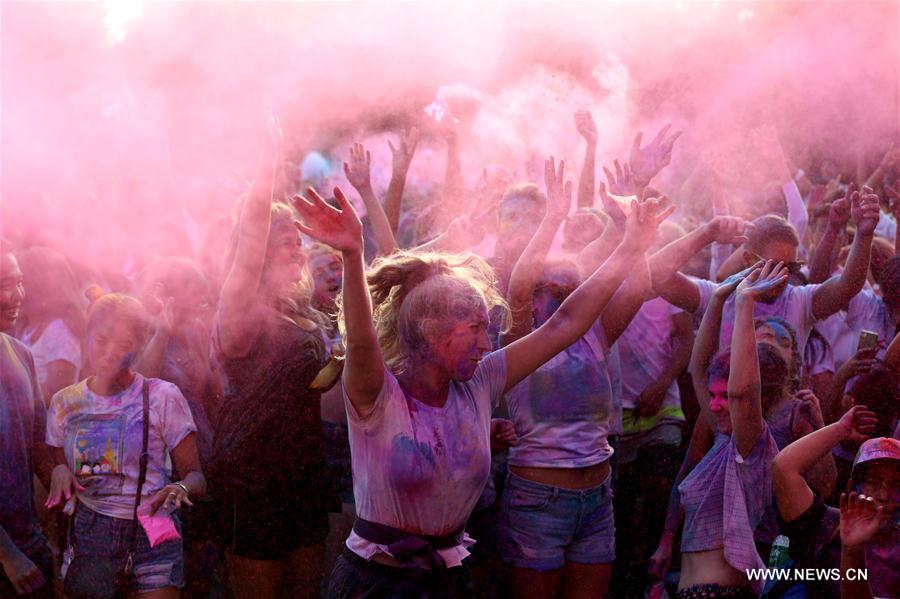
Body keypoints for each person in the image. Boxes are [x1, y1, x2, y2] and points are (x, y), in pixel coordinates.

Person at [291, 164, 671, 596]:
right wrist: (352, 253)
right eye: (473, 329)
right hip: (377, 583)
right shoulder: (378, 394)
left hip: (449, 578)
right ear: (430, 331)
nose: (486, 344)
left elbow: (565, 323)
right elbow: (361, 342)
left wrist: (631, 245)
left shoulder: (480, 382)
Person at [498, 158, 655, 598]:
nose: (564, 294)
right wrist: (552, 219)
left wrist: (629, 227)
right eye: (551, 286)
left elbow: (637, 289)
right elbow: (518, 286)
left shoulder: (594, 334)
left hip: (597, 497)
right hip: (539, 499)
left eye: (571, 287)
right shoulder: (518, 339)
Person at [207, 122, 337, 599]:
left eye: (298, 240)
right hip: (253, 482)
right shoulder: (240, 311)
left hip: (304, 475)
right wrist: (269, 163)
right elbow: (249, 239)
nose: (296, 247)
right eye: (284, 238)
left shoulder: (304, 312)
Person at [44, 288, 205, 599]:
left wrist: (181, 487)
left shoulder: (162, 397)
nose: (110, 353)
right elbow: (58, 465)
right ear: (87, 338)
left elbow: (197, 477)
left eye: (124, 345)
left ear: (140, 346)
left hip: (152, 532)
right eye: (102, 341)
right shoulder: (65, 403)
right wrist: (59, 470)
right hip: (91, 535)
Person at [650, 185, 881, 356]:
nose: (783, 275)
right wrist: (706, 233)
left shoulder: (799, 301)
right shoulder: (720, 298)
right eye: (773, 265)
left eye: (791, 267)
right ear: (748, 259)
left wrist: (864, 234)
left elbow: (848, 286)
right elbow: (657, 276)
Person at [674, 261, 787, 598]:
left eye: (724, 397)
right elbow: (697, 369)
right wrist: (717, 299)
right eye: (712, 396)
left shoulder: (752, 446)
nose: (715, 405)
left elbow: (742, 394)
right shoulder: (724, 440)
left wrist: (745, 303)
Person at [773, 412, 899, 599]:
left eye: (896, 485)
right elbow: (783, 468)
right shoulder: (827, 527)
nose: (884, 495)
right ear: (852, 487)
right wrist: (840, 429)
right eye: (873, 482)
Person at [0, 247, 54, 598]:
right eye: (5, 285)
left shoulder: (22, 354)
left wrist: (64, 483)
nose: (18, 295)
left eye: (19, 282)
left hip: (30, 544)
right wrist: (7, 555)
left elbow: (38, 448)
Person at [14, 246, 84, 401]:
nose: (16, 291)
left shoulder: (59, 331)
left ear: (43, 288)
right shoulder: (29, 328)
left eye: (22, 283)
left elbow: (57, 393)